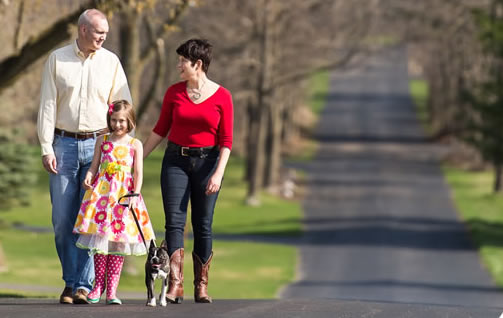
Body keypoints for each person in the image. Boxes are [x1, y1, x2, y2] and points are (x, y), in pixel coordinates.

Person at [36, 9, 132, 304]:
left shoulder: (111, 62)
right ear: (82, 30)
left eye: (105, 33)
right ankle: (71, 279)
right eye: (98, 32)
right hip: (63, 145)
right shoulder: (57, 59)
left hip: (99, 146)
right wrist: (46, 146)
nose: (103, 37)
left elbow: (123, 106)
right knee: (63, 220)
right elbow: (47, 105)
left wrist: (122, 147)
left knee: (91, 220)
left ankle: (82, 286)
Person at [143, 38, 233, 304]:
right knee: (174, 222)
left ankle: (201, 285)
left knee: (203, 225)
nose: (178, 65)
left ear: (198, 64)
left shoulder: (222, 96)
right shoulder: (174, 93)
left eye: (183, 61)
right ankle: (175, 284)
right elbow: (160, 130)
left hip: (208, 163)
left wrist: (218, 173)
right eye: (179, 60)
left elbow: (226, 141)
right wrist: (136, 158)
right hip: (175, 161)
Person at [73, 100, 155, 305]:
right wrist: (89, 177)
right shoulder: (103, 140)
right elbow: (94, 165)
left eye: (122, 121)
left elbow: (138, 173)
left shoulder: (134, 144)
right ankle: (97, 287)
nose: (118, 125)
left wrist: (135, 194)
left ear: (130, 122)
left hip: (123, 197)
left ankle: (112, 291)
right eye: (114, 120)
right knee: (101, 241)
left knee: (118, 241)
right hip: (103, 196)